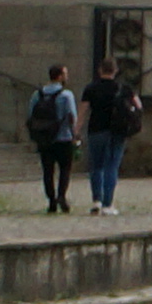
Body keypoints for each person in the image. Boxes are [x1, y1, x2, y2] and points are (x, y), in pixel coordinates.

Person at [81, 56, 140, 214]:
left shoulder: (91, 88)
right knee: (111, 166)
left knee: (96, 166)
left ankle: (96, 201)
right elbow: (138, 105)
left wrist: (76, 130)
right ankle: (108, 204)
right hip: (117, 130)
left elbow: (83, 111)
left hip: (95, 129)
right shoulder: (124, 88)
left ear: (100, 70)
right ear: (115, 71)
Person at [21, 67, 79, 214]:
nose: (67, 77)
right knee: (65, 169)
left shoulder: (37, 94)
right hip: (63, 137)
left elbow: (30, 115)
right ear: (60, 76)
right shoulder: (66, 95)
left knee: (48, 170)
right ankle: (61, 196)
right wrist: (75, 135)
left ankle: (51, 200)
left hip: (44, 138)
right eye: (65, 74)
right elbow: (72, 117)